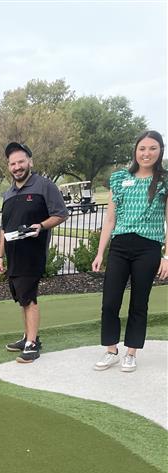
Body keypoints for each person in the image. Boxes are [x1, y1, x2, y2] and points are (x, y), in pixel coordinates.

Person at [92, 130, 168, 372]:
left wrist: (166, 255)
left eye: (152, 148)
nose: (147, 153)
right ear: (136, 151)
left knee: (139, 302)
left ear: (160, 151)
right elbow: (110, 220)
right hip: (120, 246)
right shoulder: (119, 178)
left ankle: (131, 352)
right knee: (110, 301)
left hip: (149, 247)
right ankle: (111, 350)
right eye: (142, 148)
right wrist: (100, 252)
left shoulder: (164, 181)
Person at [0, 143, 69, 363]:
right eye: (13, 163)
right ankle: (29, 335)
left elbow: (61, 214)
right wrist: (0, 255)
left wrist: (41, 226)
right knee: (23, 298)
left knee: (30, 299)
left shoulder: (44, 186)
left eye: (21, 162)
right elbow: (4, 228)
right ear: (9, 167)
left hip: (32, 253)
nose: (17, 167)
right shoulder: (8, 193)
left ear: (30, 162)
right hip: (13, 255)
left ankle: (32, 344)